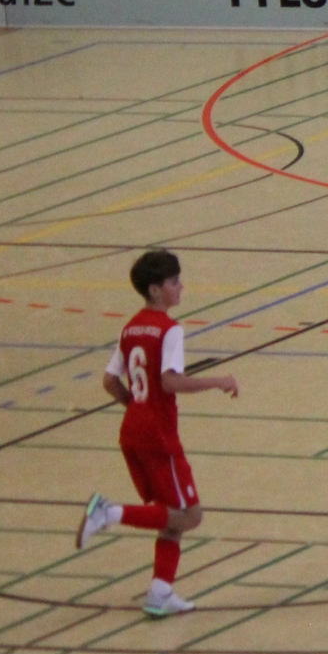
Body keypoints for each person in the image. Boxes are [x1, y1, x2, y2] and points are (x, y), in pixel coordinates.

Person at [74, 250, 240, 618]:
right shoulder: (170, 329)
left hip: (133, 430)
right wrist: (218, 381)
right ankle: (108, 512)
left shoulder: (131, 328)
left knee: (170, 517)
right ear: (155, 289)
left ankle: (160, 593)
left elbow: (109, 381)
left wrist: (137, 407)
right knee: (190, 515)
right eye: (174, 282)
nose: (181, 287)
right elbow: (169, 381)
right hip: (159, 436)